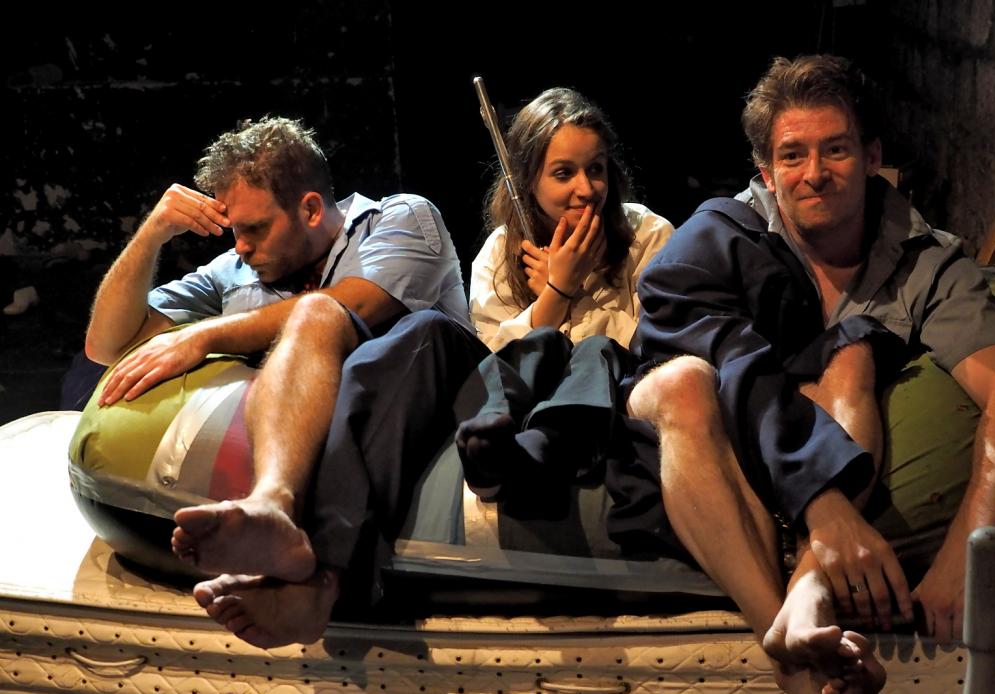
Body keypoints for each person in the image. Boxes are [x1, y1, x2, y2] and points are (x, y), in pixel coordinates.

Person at [622, 55, 995, 694]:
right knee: (685, 381)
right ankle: (790, 657)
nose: (815, 173)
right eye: (792, 155)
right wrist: (826, 511)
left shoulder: (923, 263)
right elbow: (729, 369)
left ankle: (807, 596)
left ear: (873, 157)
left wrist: (962, 557)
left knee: (854, 354)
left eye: (836, 150)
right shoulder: (723, 236)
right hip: (692, 418)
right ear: (767, 172)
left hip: (807, 452)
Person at [84, 116, 473, 643]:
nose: (241, 246)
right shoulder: (235, 270)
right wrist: (152, 233)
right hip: (329, 450)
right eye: (235, 230)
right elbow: (106, 344)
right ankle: (283, 535)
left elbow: (359, 304)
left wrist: (206, 335)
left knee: (318, 313)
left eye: (256, 229)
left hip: (436, 398)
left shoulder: (399, 218)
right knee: (310, 320)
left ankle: (285, 525)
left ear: (310, 209)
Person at [457, 88, 672, 514]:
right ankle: (490, 453)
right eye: (563, 173)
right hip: (523, 408)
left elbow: (655, 350)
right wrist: (556, 296)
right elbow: (495, 361)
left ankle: (544, 446)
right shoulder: (499, 254)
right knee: (538, 346)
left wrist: (569, 292)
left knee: (597, 349)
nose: (586, 188)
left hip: (616, 411)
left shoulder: (648, 235)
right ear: (527, 181)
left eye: (596, 169)